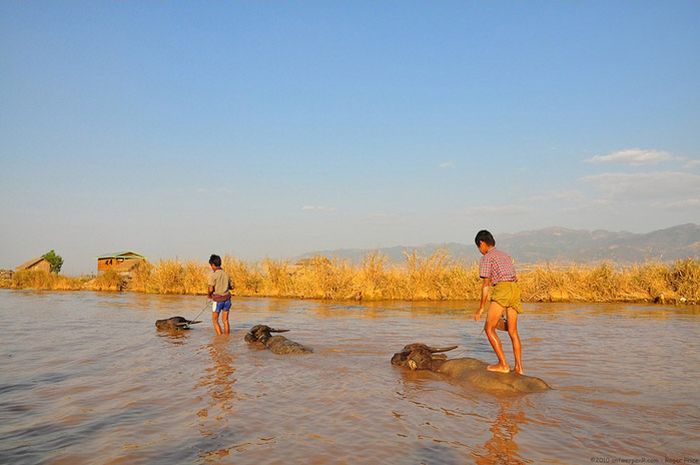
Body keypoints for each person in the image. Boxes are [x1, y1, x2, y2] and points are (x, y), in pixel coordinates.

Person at [473, 230, 524, 374]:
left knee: (489, 329)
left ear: (482, 243)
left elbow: (486, 285)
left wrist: (481, 308)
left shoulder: (487, 258)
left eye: (479, 247)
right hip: (515, 289)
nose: (480, 251)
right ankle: (519, 368)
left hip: (502, 289)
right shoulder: (505, 255)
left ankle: (503, 364)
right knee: (513, 331)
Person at [208, 254, 233, 335]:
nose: (211, 267)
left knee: (215, 320)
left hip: (218, 300)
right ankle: (226, 338)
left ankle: (220, 338)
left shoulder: (213, 275)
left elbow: (211, 289)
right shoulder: (226, 274)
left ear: (213, 265)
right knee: (225, 320)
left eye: (211, 266)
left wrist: (209, 295)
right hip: (227, 300)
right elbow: (232, 287)